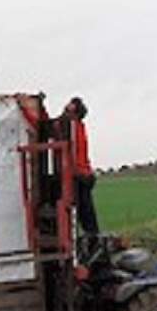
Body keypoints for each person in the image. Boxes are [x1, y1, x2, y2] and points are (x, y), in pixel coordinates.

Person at [60, 97, 100, 235]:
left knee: (81, 211)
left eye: (69, 108)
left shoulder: (72, 127)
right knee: (86, 211)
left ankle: (91, 239)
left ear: (74, 112)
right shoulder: (79, 127)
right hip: (84, 174)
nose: (65, 108)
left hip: (80, 175)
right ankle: (92, 237)